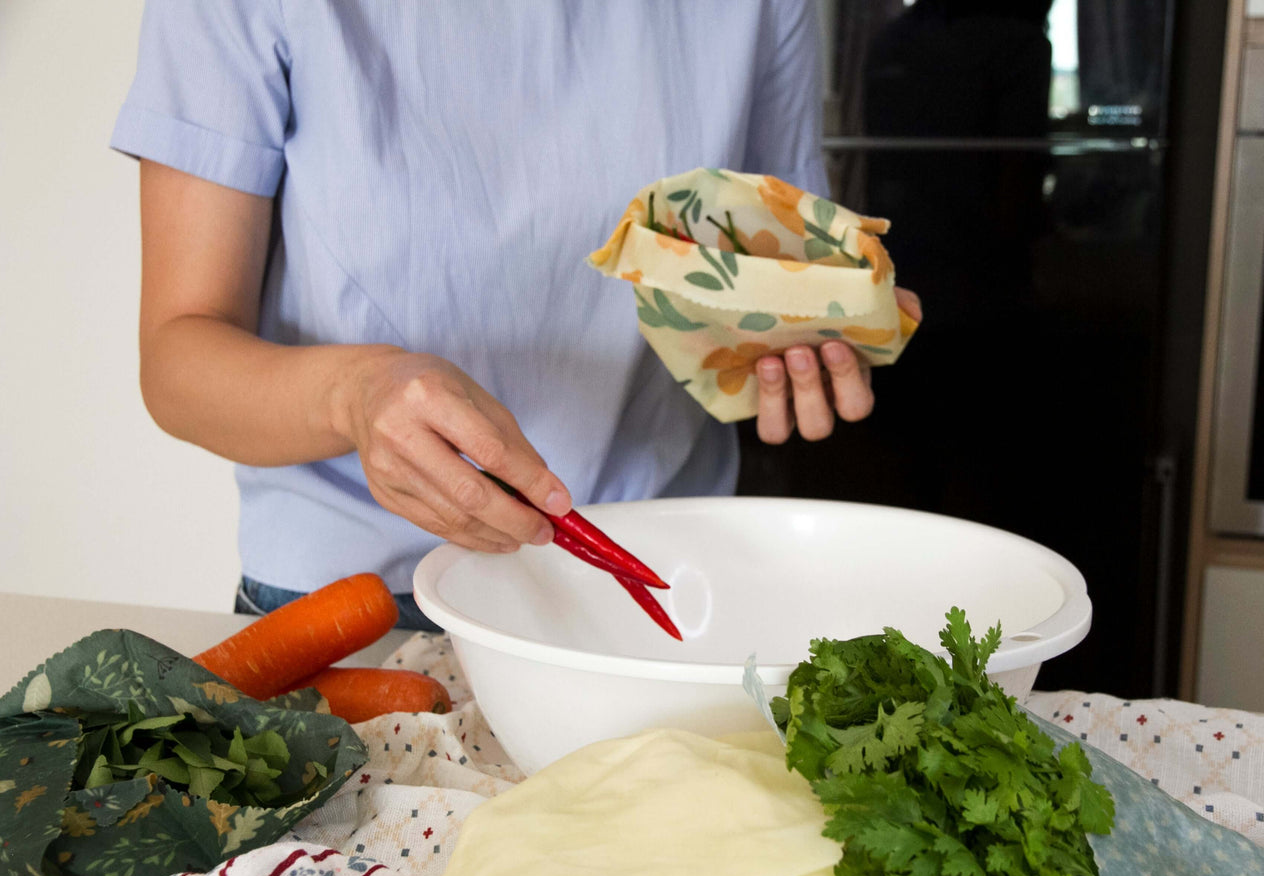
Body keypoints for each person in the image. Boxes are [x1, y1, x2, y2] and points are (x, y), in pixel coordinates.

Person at [112, 2, 918, 629]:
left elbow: (760, 261)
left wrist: (814, 329)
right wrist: (355, 394)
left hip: (657, 583)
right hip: (356, 608)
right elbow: (178, 359)